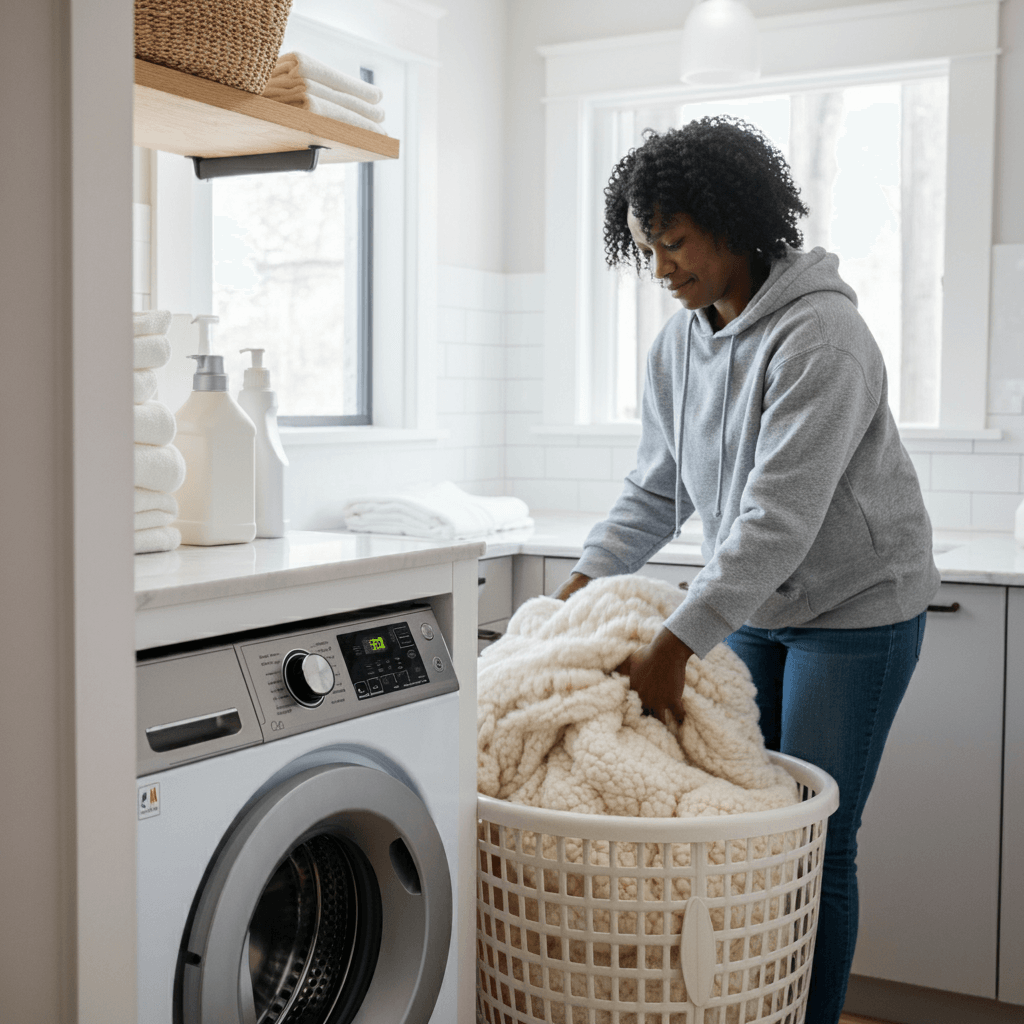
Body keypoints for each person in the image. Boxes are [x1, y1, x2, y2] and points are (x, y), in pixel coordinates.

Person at [554, 116, 940, 1024]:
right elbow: (657, 492)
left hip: (856, 611)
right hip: (753, 604)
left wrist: (675, 643)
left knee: (814, 839)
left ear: (734, 223)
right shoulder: (679, 345)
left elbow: (779, 520)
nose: (661, 270)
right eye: (648, 248)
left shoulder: (823, 339)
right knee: (740, 832)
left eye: (676, 244)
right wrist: (573, 592)